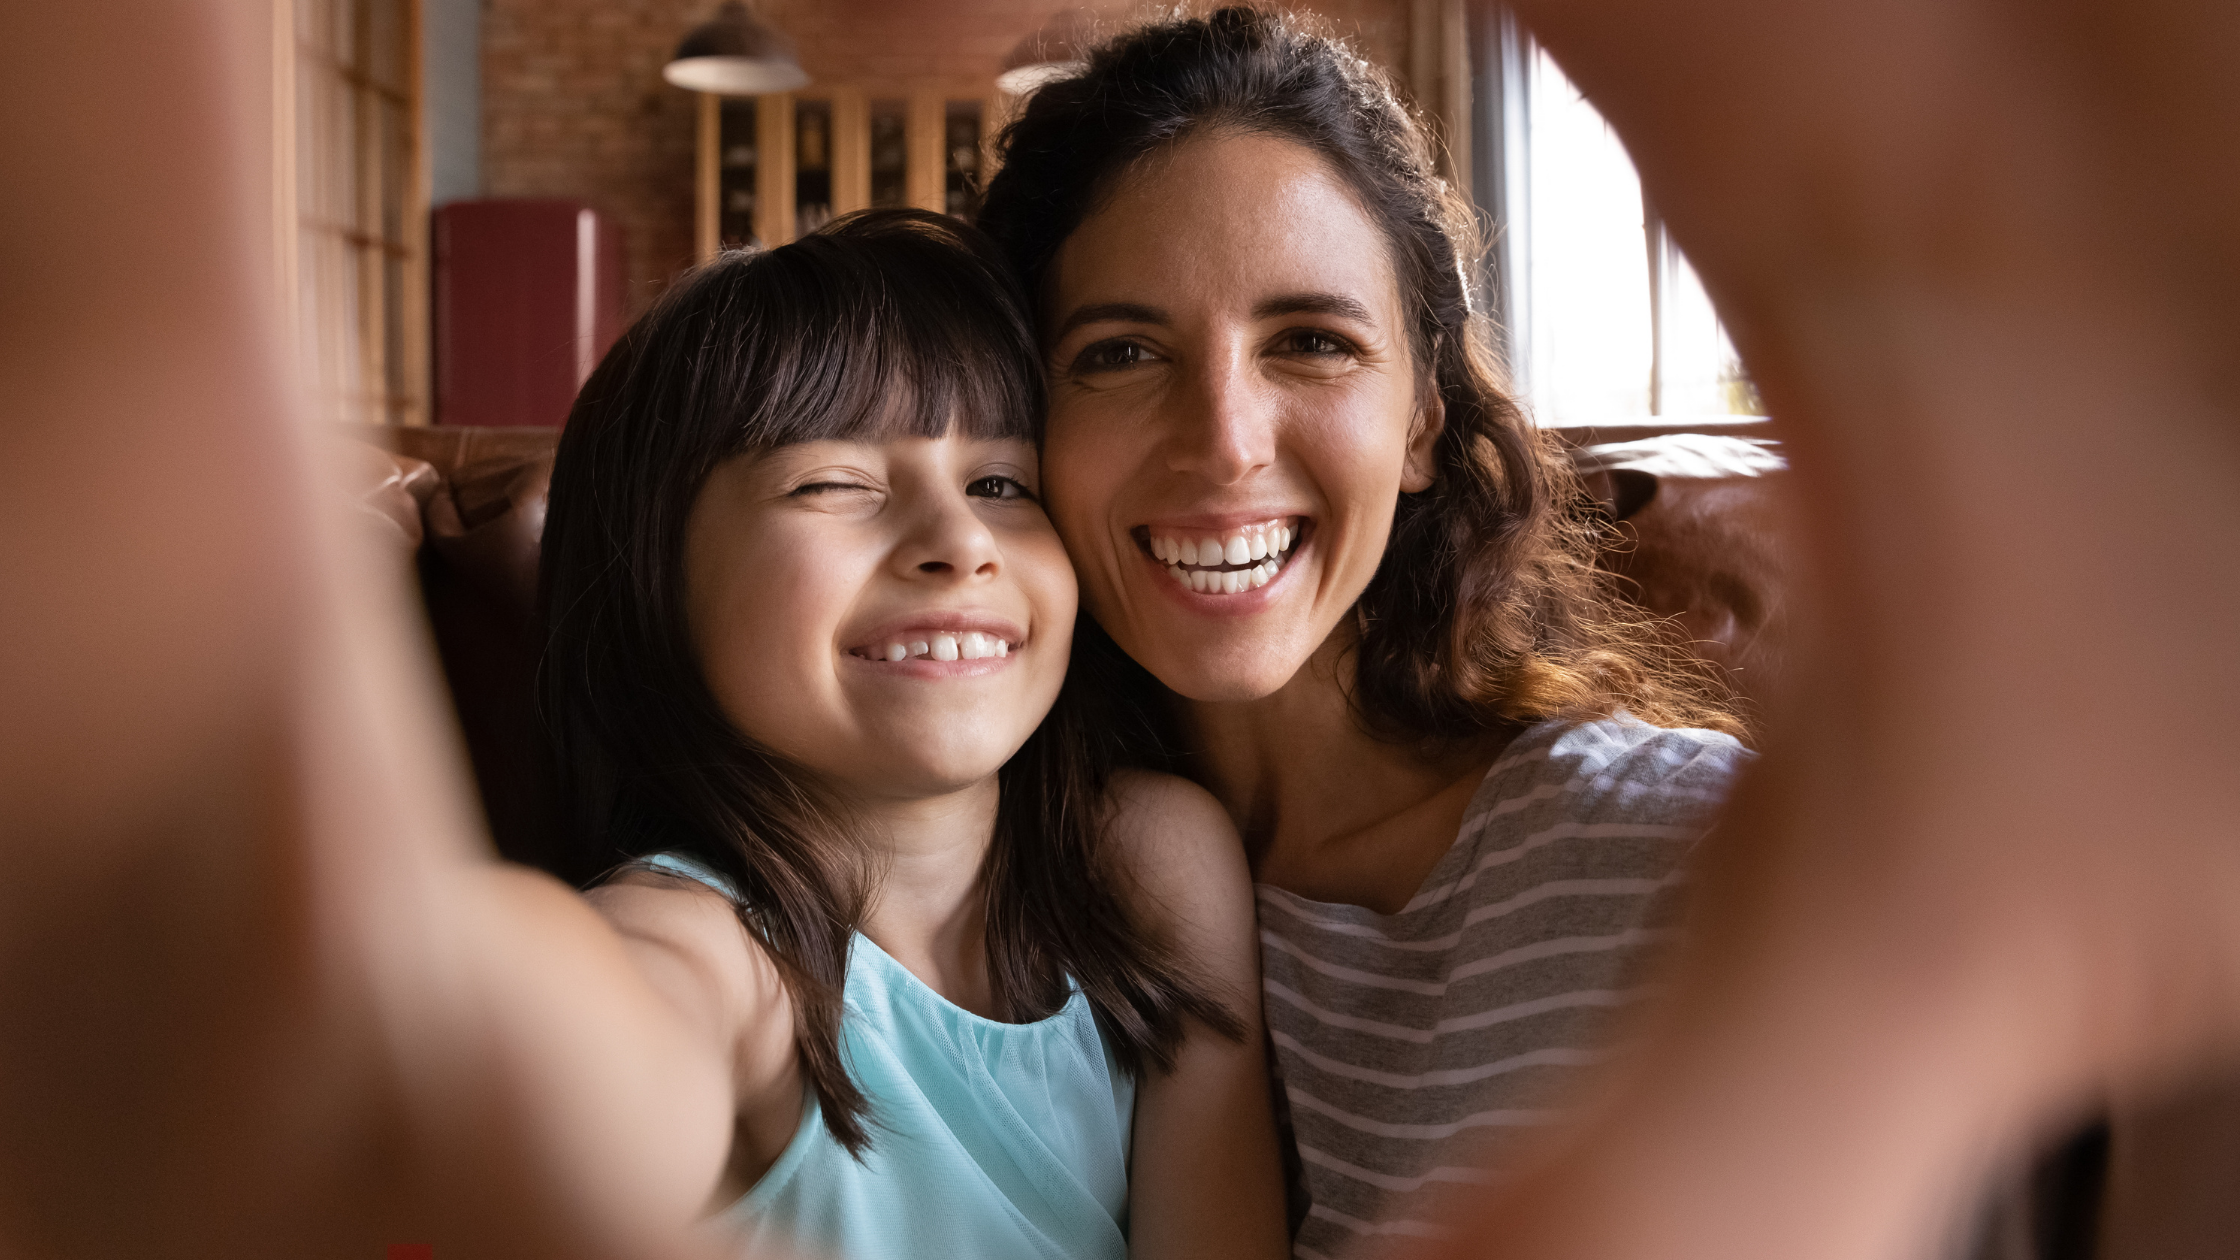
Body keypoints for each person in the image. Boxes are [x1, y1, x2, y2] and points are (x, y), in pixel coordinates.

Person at [975, 9, 1753, 1253]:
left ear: (1421, 424)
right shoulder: (961, 892)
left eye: (1310, 343)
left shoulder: (1672, 852)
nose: (1224, 439)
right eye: (1119, 351)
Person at [531, 208, 1285, 1260]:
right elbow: (595, 1041)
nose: (958, 541)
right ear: (653, 575)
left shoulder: (1150, 861)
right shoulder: (711, 954)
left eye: (1000, 485)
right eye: (834, 484)